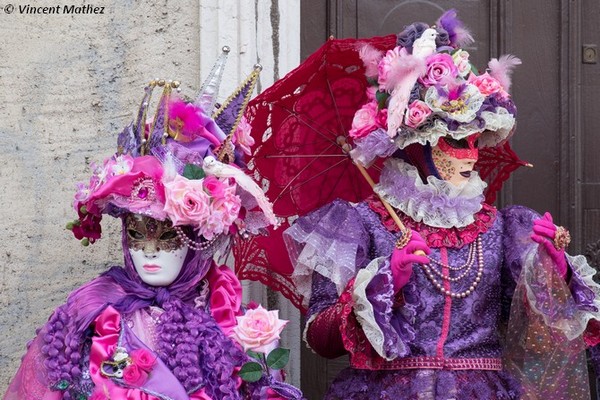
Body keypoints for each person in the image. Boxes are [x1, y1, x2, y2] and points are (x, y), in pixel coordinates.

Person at [282, 11, 600, 400]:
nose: (471, 155)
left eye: (476, 140)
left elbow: (547, 335)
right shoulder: (361, 223)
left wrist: (556, 273)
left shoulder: (502, 228)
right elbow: (322, 339)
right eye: (456, 141)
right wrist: (383, 284)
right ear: (419, 145)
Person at [3, 53, 303, 400]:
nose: (149, 251)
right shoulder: (89, 312)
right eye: (136, 233)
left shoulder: (233, 318)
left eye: (167, 237)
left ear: (196, 240)